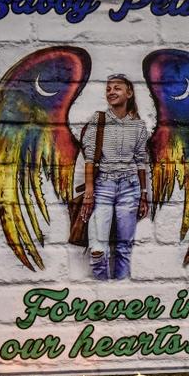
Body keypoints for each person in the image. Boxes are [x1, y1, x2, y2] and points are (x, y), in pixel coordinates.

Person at [80, 74, 150, 280]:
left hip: (130, 187)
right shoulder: (99, 120)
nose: (111, 92)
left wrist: (143, 194)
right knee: (98, 249)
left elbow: (140, 161)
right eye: (108, 89)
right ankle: (102, 290)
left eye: (117, 88)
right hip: (103, 186)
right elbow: (89, 158)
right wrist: (89, 192)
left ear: (129, 93)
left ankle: (120, 290)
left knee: (124, 248)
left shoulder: (138, 126)